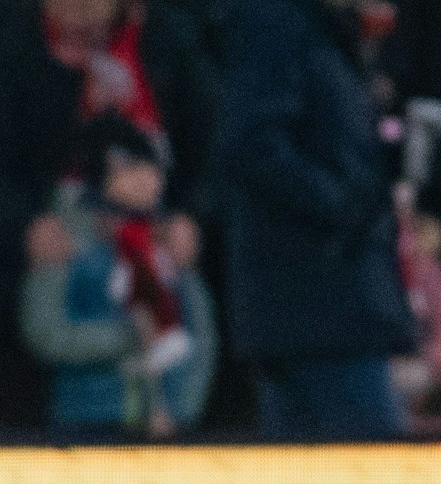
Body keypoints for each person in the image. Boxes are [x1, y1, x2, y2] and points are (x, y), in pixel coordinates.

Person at [214, 0, 417, 439]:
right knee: (376, 481)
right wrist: (345, 207)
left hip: (321, 305)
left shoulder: (318, 31)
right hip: (319, 304)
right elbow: (252, 142)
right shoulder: (276, 24)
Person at [21, 114, 216, 440]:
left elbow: (201, 334)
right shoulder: (64, 240)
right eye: (130, 167)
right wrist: (126, 337)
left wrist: (186, 408)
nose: (148, 179)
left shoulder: (167, 243)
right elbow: (45, 332)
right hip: (88, 421)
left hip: (170, 426)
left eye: (150, 167)